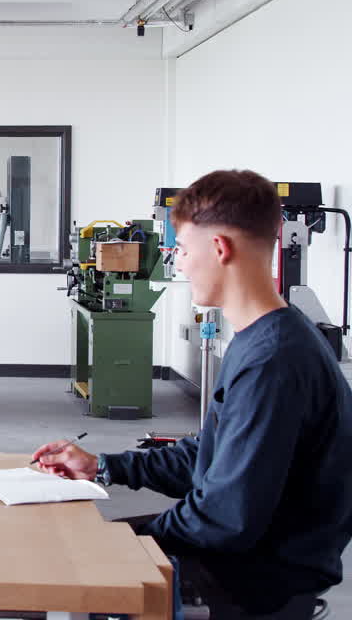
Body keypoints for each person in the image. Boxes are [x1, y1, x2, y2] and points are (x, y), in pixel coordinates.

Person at [33, 170, 352, 619]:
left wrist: (128, 543)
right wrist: (104, 466)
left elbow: (226, 518)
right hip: (243, 556)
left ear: (220, 249)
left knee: (67, 568)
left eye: (181, 249)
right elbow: (210, 455)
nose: (177, 262)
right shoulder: (264, 336)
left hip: (252, 581)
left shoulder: (273, 361)